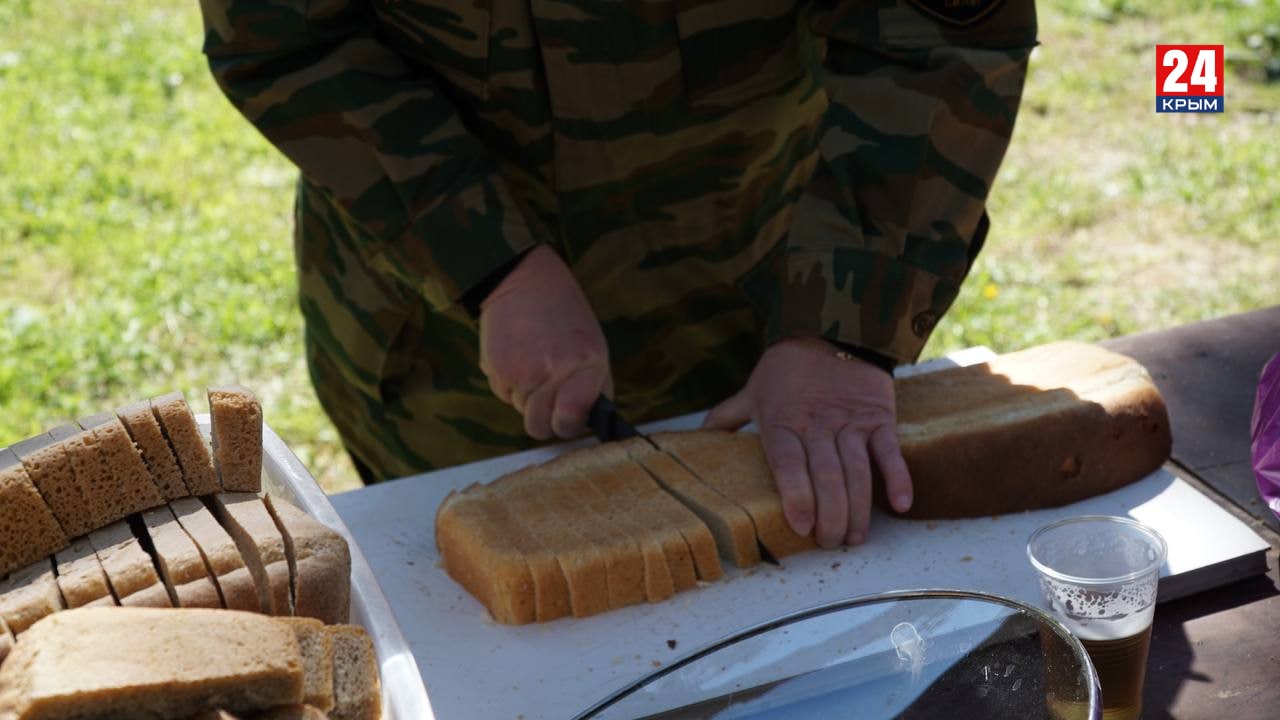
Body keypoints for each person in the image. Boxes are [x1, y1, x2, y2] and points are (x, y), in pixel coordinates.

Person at [198, 0, 1037, 548]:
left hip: (772, 316)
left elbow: (943, 27)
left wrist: (843, 327)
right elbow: (278, 33)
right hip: (445, 348)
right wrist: (485, 261)